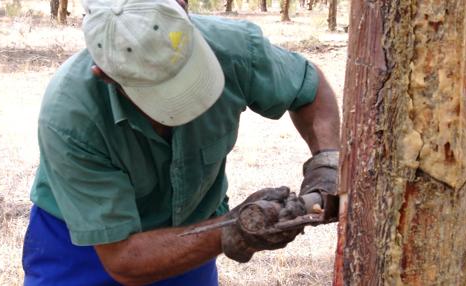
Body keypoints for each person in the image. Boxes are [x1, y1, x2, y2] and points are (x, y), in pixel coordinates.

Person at [21, 0, 340, 285]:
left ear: (184, 7)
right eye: (158, 88)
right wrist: (231, 228)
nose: (182, 105)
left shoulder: (235, 48)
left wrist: (326, 163)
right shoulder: (71, 115)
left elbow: (308, 90)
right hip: (85, 249)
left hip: (194, 233)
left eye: (187, 70)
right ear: (106, 74)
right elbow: (123, 260)